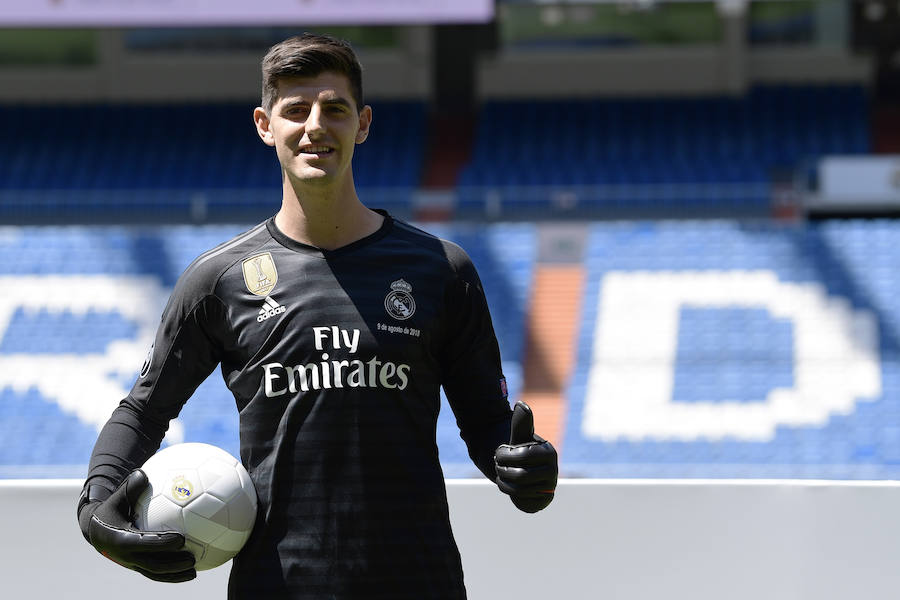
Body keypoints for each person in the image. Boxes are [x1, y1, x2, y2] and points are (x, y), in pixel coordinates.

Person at [76, 32, 558, 599]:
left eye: (335, 108)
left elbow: (486, 424)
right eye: (295, 110)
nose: (315, 126)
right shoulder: (220, 280)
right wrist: (95, 508)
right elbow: (144, 409)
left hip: (418, 583)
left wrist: (522, 466)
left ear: (364, 123)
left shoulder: (440, 270)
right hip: (277, 586)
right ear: (264, 125)